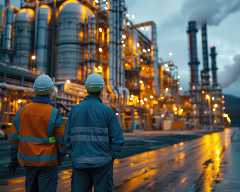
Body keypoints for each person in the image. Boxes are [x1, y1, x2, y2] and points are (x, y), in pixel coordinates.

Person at [64, 73, 124, 192]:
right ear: (102, 89)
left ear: (86, 88)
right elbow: (118, 140)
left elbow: (67, 139)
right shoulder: (107, 111)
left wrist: (74, 155)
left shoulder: (74, 110)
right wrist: (109, 157)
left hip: (79, 163)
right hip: (102, 164)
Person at [8, 74, 66, 192]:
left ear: (34, 90)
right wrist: (60, 157)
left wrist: (14, 159)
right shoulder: (54, 113)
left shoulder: (22, 111)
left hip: (28, 162)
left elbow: (14, 138)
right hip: (48, 163)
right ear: (50, 91)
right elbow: (61, 140)